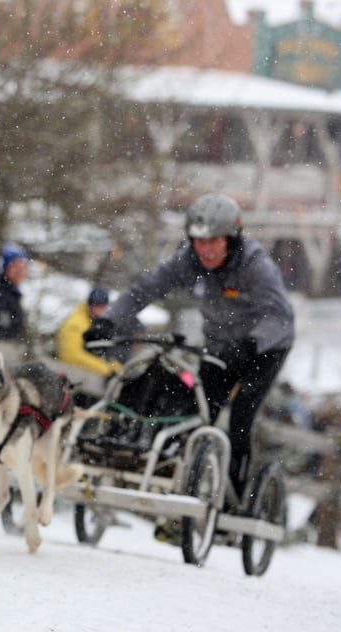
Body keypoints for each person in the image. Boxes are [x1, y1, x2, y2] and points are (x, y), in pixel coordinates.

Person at [83, 192, 295, 508]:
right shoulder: (188, 261)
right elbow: (144, 290)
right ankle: (194, 488)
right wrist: (109, 321)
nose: (206, 249)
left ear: (231, 238)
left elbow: (279, 316)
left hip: (265, 346)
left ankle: (234, 497)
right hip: (221, 347)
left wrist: (251, 344)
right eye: (199, 241)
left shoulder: (255, 265)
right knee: (199, 413)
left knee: (240, 417)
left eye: (214, 241)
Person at [56, 284, 133, 377]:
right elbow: (70, 355)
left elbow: (99, 354)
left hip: (84, 372)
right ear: (90, 305)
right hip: (71, 373)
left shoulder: (93, 322)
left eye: (104, 307)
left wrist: (118, 368)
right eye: (98, 306)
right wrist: (105, 369)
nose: (102, 311)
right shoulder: (75, 323)